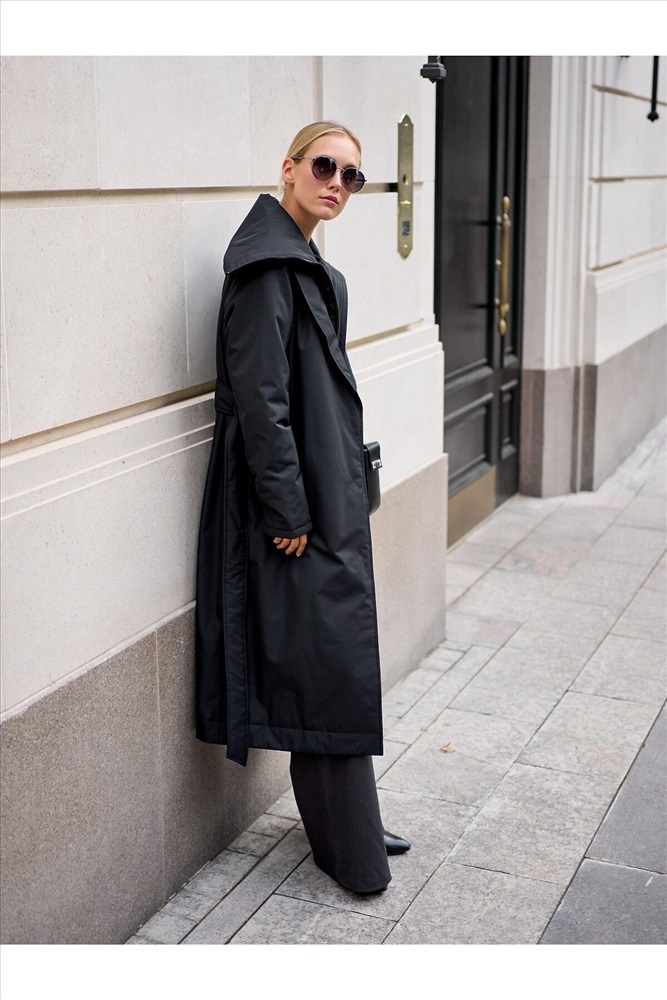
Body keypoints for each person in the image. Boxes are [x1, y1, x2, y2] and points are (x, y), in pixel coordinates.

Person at [195, 121, 410, 895]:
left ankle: (349, 828)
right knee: (327, 660)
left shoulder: (310, 270)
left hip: (323, 492)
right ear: (288, 169)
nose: (337, 184)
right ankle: (349, 847)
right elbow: (262, 401)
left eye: (352, 176)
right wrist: (286, 509)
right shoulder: (266, 273)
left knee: (330, 661)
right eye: (325, 166)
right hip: (290, 508)